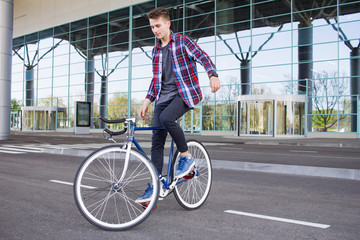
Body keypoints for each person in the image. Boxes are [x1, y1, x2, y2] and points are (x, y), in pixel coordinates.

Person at [136, 7, 220, 203]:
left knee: (167, 119)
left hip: (184, 94)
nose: (155, 30)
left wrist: (212, 74)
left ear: (167, 24)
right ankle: (155, 185)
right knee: (156, 140)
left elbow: (203, 57)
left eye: (158, 25)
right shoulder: (155, 51)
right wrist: (147, 100)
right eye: (152, 27)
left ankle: (186, 157)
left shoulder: (183, 41)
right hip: (162, 98)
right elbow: (156, 80)